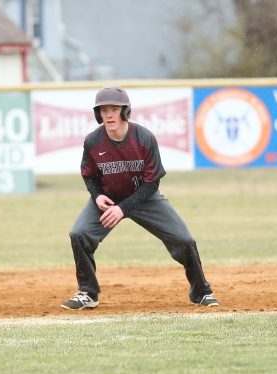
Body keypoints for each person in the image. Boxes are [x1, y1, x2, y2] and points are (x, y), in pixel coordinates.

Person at [61, 86, 219, 310]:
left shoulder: (144, 138)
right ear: (97, 115)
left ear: (126, 112)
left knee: (183, 240)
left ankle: (202, 291)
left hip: (146, 198)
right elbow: (89, 176)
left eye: (114, 109)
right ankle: (88, 293)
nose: (108, 114)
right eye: (103, 110)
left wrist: (123, 209)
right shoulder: (93, 141)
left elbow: (152, 182)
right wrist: (97, 197)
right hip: (109, 200)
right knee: (79, 234)